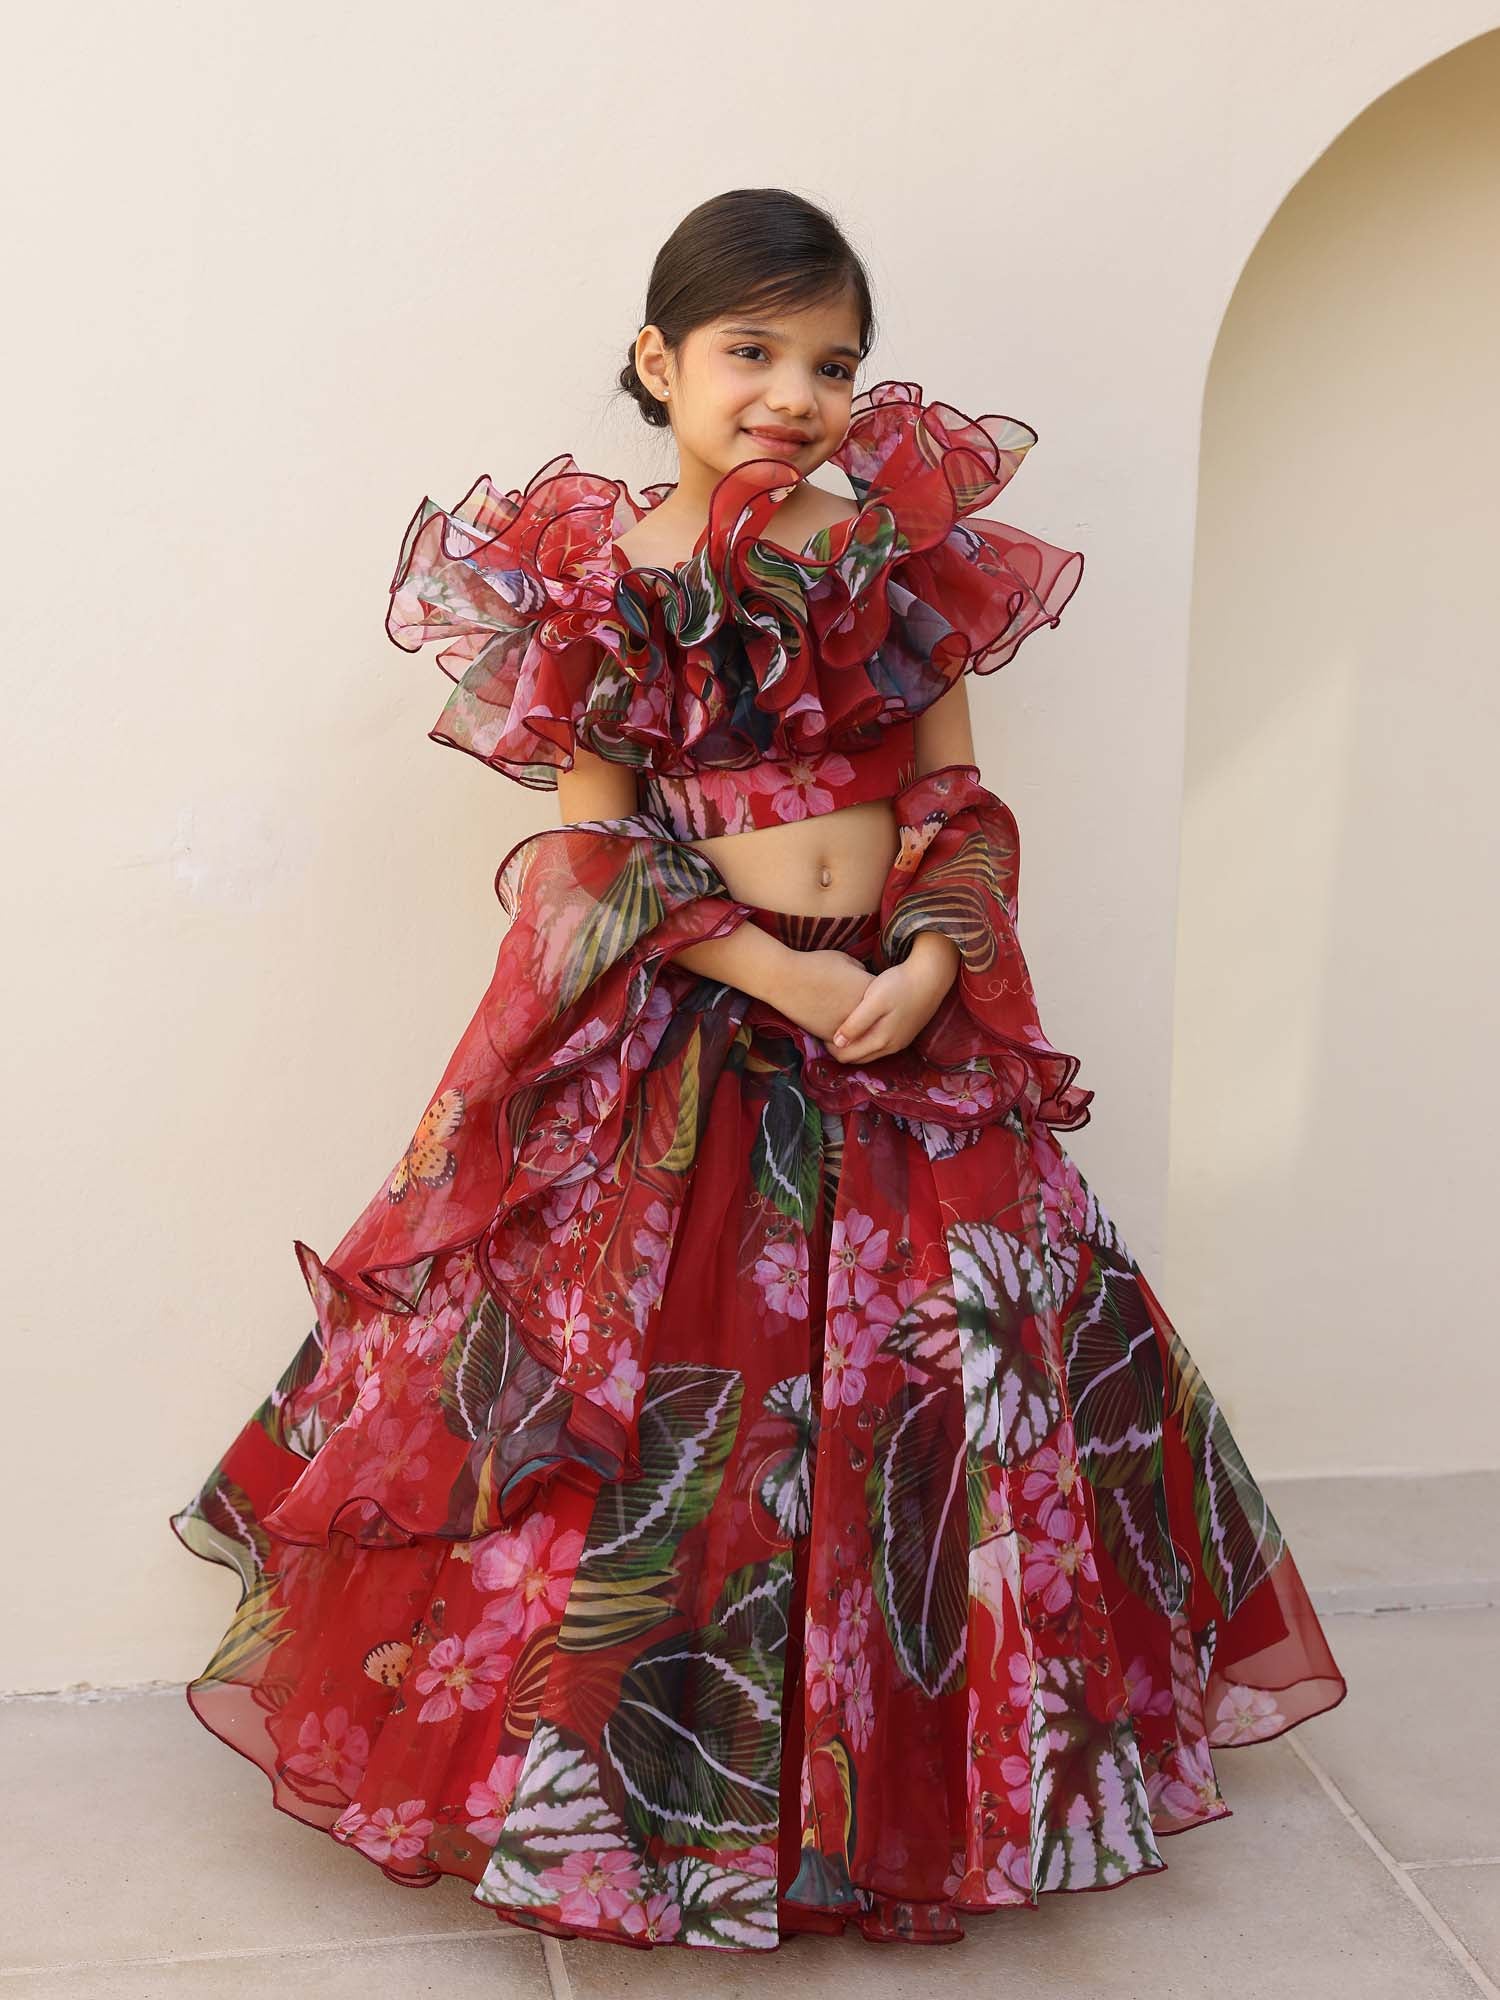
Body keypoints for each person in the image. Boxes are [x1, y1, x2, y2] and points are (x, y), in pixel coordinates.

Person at [169, 186, 1347, 1953]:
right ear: (659, 362)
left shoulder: (891, 563)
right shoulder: (599, 583)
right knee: (680, 1422)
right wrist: (772, 967)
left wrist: (930, 958)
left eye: (834, 364)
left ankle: (906, 1784)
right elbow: (587, 854)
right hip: (699, 1029)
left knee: (929, 1403)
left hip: (896, 1022)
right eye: (753, 351)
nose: (795, 393)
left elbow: (957, 802)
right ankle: (651, 1802)